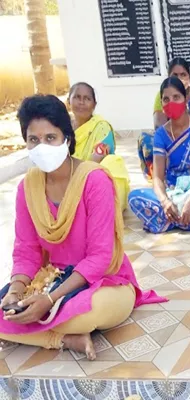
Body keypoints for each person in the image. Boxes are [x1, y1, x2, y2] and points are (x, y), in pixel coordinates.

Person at [0, 95, 165, 360]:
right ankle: (63, 338)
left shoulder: (93, 180)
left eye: (50, 138)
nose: (41, 146)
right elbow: (26, 251)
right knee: (6, 309)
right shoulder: (27, 188)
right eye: (33, 140)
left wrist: (51, 300)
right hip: (52, 279)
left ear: (66, 137)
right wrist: (16, 292)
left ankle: (45, 328)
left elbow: (100, 257)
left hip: (103, 282)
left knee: (86, 310)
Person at [128, 77, 190, 234]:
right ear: (161, 104)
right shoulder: (161, 135)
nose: (171, 103)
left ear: (186, 99)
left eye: (176, 97)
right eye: (166, 99)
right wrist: (165, 201)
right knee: (134, 197)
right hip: (173, 191)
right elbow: (157, 178)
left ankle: (174, 219)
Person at [138, 58, 190, 179]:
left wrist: (183, 117)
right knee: (146, 139)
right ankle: (158, 176)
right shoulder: (163, 94)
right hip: (170, 137)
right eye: (175, 75)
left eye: (183, 74)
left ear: (189, 77)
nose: (179, 78)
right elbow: (159, 124)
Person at [68, 82, 130, 211]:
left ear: (94, 105)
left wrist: (73, 174)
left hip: (91, 179)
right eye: (77, 97)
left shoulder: (101, 127)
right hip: (67, 178)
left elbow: (97, 158)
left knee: (111, 162)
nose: (81, 102)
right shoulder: (63, 128)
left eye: (87, 99)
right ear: (69, 101)